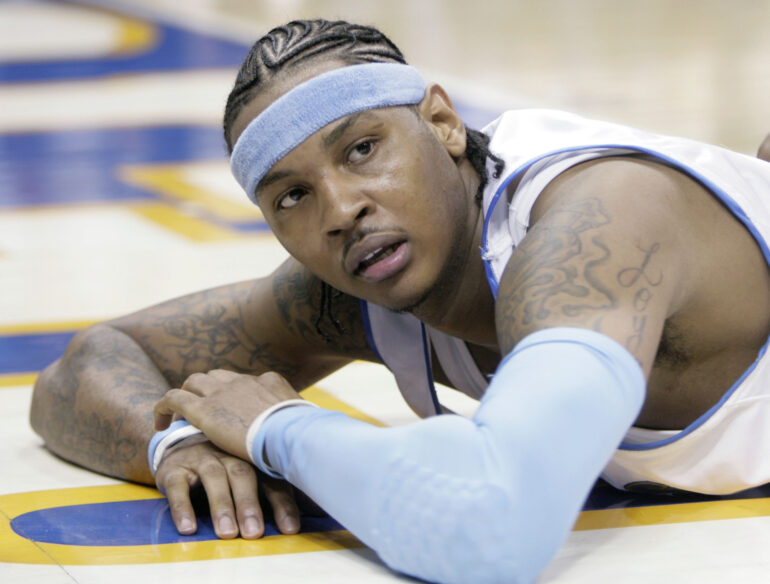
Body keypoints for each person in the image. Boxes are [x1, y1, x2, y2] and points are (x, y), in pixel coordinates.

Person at [30, 19, 770, 584]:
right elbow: (84, 368)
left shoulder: (594, 231)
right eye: (293, 195)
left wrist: (276, 431)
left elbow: (491, 527)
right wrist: (173, 442)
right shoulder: (352, 292)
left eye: (362, 149)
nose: (341, 209)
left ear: (443, 123)